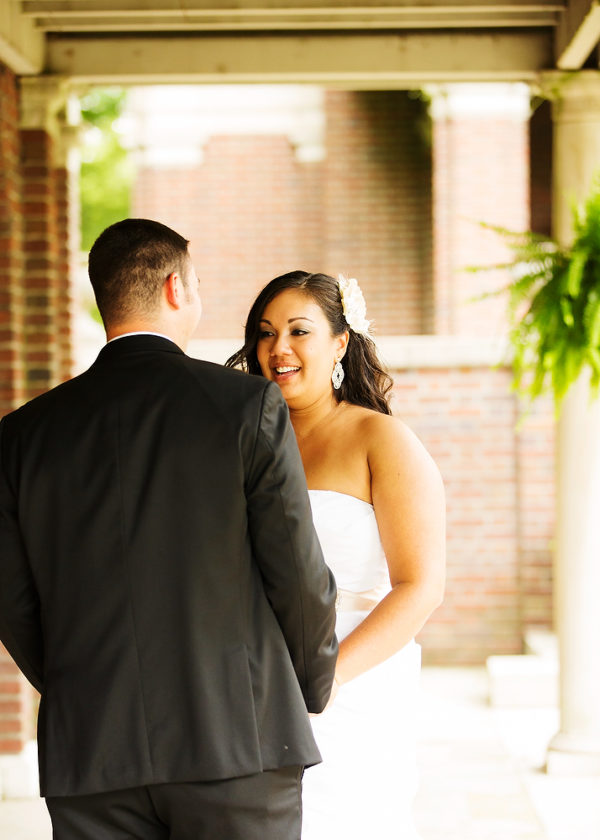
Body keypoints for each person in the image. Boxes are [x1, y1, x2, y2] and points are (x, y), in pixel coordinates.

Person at [0, 221, 338, 840]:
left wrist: (82, 685)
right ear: (175, 287)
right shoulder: (245, 406)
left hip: (91, 750)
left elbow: (13, 601)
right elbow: (296, 572)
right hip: (238, 738)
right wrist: (308, 685)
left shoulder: (22, 435)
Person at [227, 270, 446, 839]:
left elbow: (420, 586)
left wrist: (326, 682)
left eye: (300, 331)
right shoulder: (240, 442)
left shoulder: (381, 440)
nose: (279, 349)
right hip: (249, 684)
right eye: (266, 332)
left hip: (352, 684)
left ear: (341, 342)